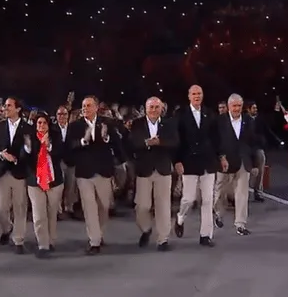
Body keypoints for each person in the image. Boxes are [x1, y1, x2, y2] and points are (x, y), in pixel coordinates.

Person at [67, 96, 122, 255]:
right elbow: (70, 146)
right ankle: (94, 240)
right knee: (89, 206)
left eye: (89, 105)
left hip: (103, 170)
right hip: (84, 172)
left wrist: (106, 138)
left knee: (104, 206)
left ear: (96, 107)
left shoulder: (107, 123)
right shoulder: (75, 126)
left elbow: (117, 144)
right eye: (83, 106)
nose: (85, 108)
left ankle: (100, 233)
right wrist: (83, 141)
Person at [129, 97, 178, 251]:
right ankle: (146, 228)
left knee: (163, 206)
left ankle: (163, 239)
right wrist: (146, 143)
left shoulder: (169, 124)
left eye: (157, 107)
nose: (154, 110)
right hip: (144, 169)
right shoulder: (137, 124)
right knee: (142, 206)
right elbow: (132, 143)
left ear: (161, 109)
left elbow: (175, 142)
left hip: (163, 169)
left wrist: (160, 142)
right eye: (151, 107)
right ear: (145, 108)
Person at [174, 85, 218, 247]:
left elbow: (215, 138)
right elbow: (177, 139)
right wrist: (177, 160)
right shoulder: (181, 115)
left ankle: (205, 235)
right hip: (189, 162)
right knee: (189, 198)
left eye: (199, 93)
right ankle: (180, 217)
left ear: (203, 95)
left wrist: (221, 157)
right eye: (194, 94)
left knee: (207, 200)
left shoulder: (210, 114)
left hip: (208, 162)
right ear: (189, 96)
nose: (197, 96)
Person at [0, 97, 33, 254]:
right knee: (0, 208)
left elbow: (31, 151)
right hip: (1, 173)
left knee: (20, 208)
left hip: (19, 173)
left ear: (18, 109)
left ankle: (18, 240)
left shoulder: (27, 128)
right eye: (5, 106)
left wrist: (26, 150)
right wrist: (1, 155)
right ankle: (7, 228)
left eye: (9, 106)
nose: (5, 108)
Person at [214, 94, 259, 236]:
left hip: (243, 163)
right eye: (234, 106)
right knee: (220, 192)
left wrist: (255, 164)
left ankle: (240, 224)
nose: (237, 109)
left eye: (239, 106)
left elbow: (253, 144)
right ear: (228, 107)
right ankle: (218, 214)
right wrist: (221, 157)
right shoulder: (219, 121)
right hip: (225, 163)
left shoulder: (248, 121)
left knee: (242, 194)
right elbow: (215, 142)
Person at [23, 113, 65, 258]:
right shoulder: (31, 138)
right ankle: (43, 245)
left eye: (44, 123)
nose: (41, 126)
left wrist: (49, 146)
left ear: (48, 125)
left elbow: (61, 154)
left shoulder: (56, 137)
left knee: (51, 213)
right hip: (35, 182)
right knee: (39, 215)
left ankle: (51, 240)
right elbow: (25, 159)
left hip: (54, 181)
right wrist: (28, 149)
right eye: (39, 123)